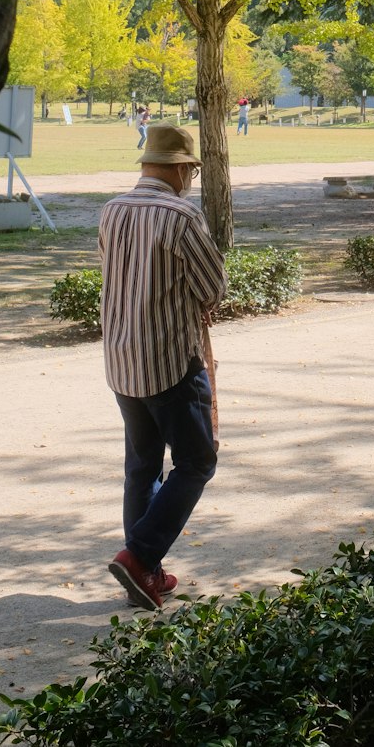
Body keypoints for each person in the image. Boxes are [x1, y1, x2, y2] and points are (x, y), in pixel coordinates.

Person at [100, 123, 227, 611]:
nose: (190, 179)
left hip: (121, 359)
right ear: (180, 170)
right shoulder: (180, 215)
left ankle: (143, 573)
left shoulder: (112, 211)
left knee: (143, 464)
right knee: (197, 461)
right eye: (190, 170)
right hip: (171, 360)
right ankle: (139, 557)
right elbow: (214, 287)